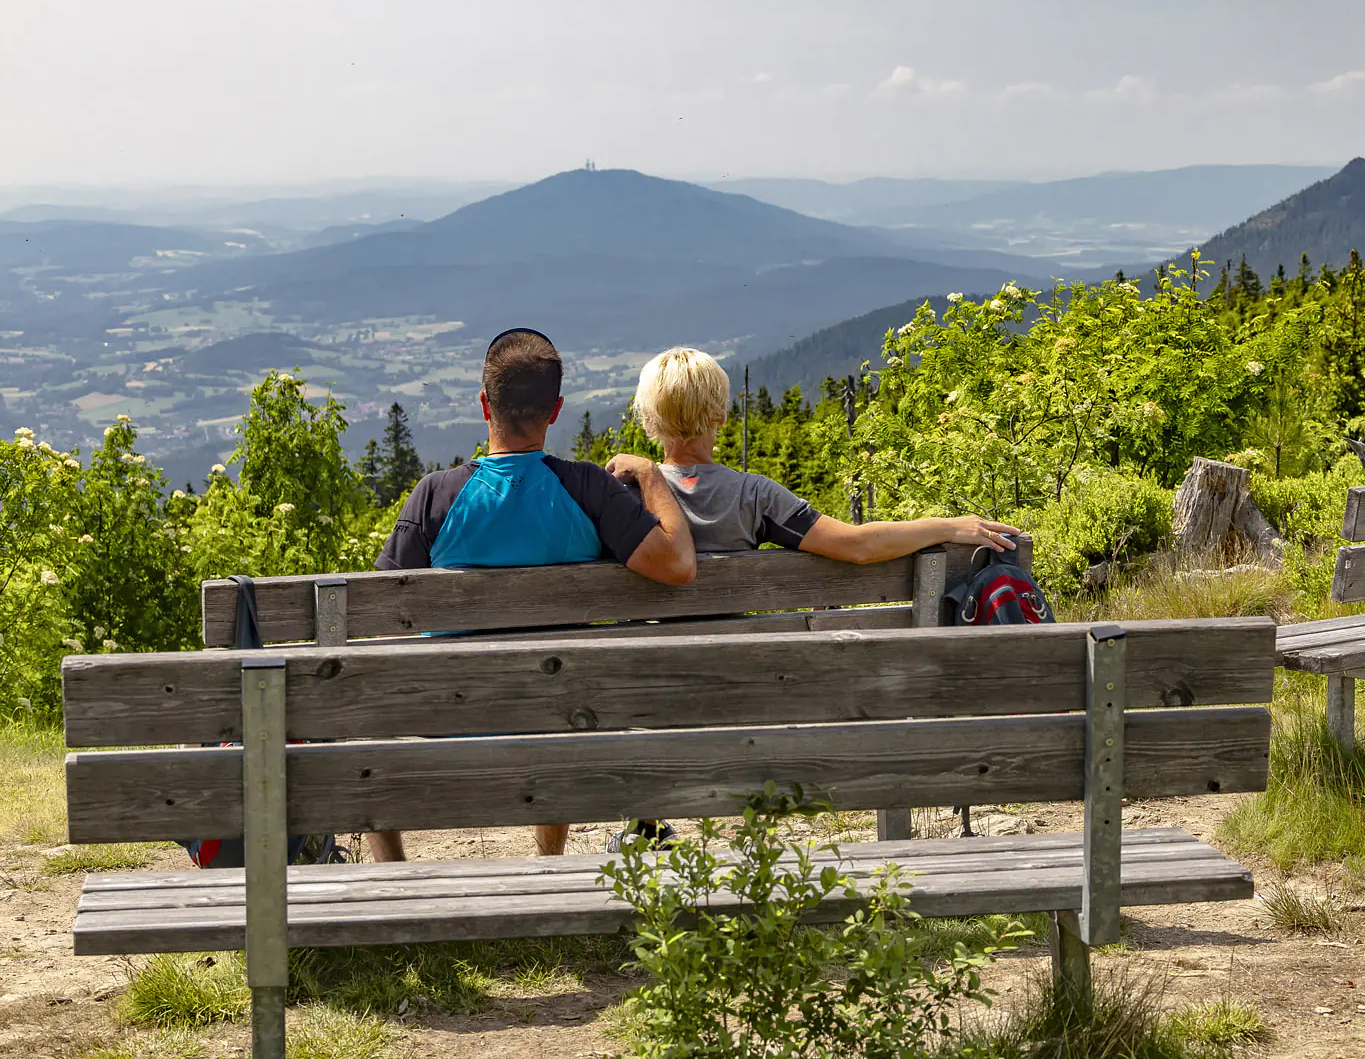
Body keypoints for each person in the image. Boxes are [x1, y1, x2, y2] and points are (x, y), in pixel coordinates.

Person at [367, 328, 696, 863]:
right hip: (561, 716)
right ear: (557, 410)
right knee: (556, 680)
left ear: (483, 404)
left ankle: (393, 879)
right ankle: (548, 859)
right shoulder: (587, 489)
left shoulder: (436, 495)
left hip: (447, 718)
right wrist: (651, 477)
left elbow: (382, 618)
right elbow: (678, 565)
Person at [607, 347, 1017, 561]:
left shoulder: (622, 495)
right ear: (723, 414)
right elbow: (857, 545)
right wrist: (945, 526)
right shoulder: (754, 497)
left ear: (649, 419)